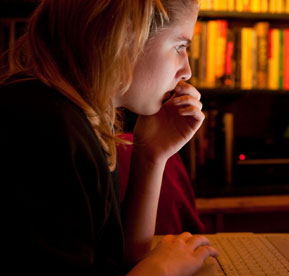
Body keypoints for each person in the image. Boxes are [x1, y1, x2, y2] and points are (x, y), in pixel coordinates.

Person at [1, 0, 218, 275]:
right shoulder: (44, 127)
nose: (186, 70)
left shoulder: (83, 117)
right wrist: (162, 268)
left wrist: (151, 155)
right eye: (180, 46)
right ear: (126, 36)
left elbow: (118, 260)